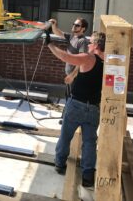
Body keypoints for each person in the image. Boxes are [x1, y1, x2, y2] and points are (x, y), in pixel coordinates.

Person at [45, 30, 106, 188]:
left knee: (65, 136)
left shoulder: (88, 57)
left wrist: (49, 43)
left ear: (96, 45)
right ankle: (87, 175)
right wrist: (73, 75)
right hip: (93, 108)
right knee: (90, 143)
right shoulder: (108, 62)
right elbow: (81, 68)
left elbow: (66, 57)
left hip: (76, 105)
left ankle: (59, 164)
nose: (88, 44)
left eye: (90, 42)